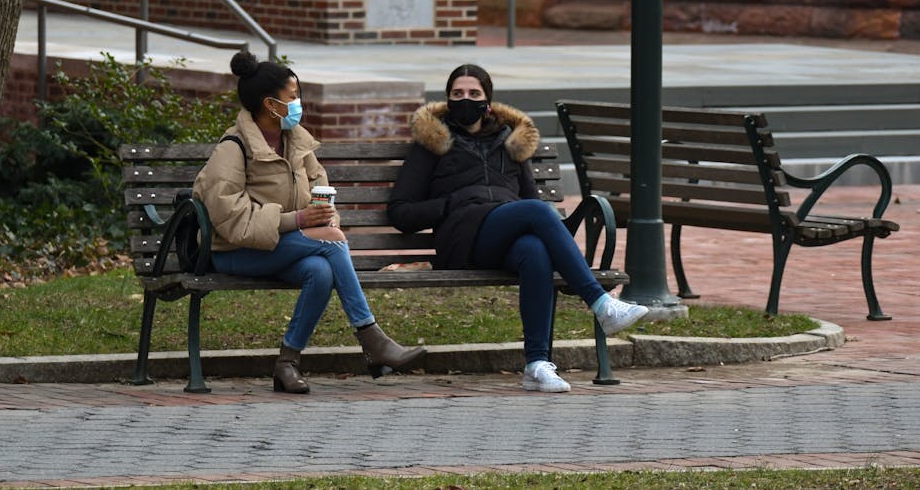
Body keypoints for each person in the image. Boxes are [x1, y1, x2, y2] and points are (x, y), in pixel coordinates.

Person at [387, 64, 648, 393]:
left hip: (504, 235)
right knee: (538, 211)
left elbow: (526, 200)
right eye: (457, 94)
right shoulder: (431, 144)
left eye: (473, 94)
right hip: (462, 239)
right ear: (447, 100)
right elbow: (400, 212)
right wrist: (450, 203)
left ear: (488, 102)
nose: (465, 100)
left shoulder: (507, 143)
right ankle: (600, 302)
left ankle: (536, 365)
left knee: (535, 251)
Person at [193, 52, 426, 393]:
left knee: (319, 270)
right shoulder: (233, 149)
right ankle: (372, 339)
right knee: (330, 242)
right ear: (270, 105)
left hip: (281, 246)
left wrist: (322, 215)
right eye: (293, 97)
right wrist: (302, 221)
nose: (299, 102)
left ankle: (287, 363)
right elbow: (233, 222)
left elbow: (321, 190)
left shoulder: (297, 142)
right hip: (232, 250)